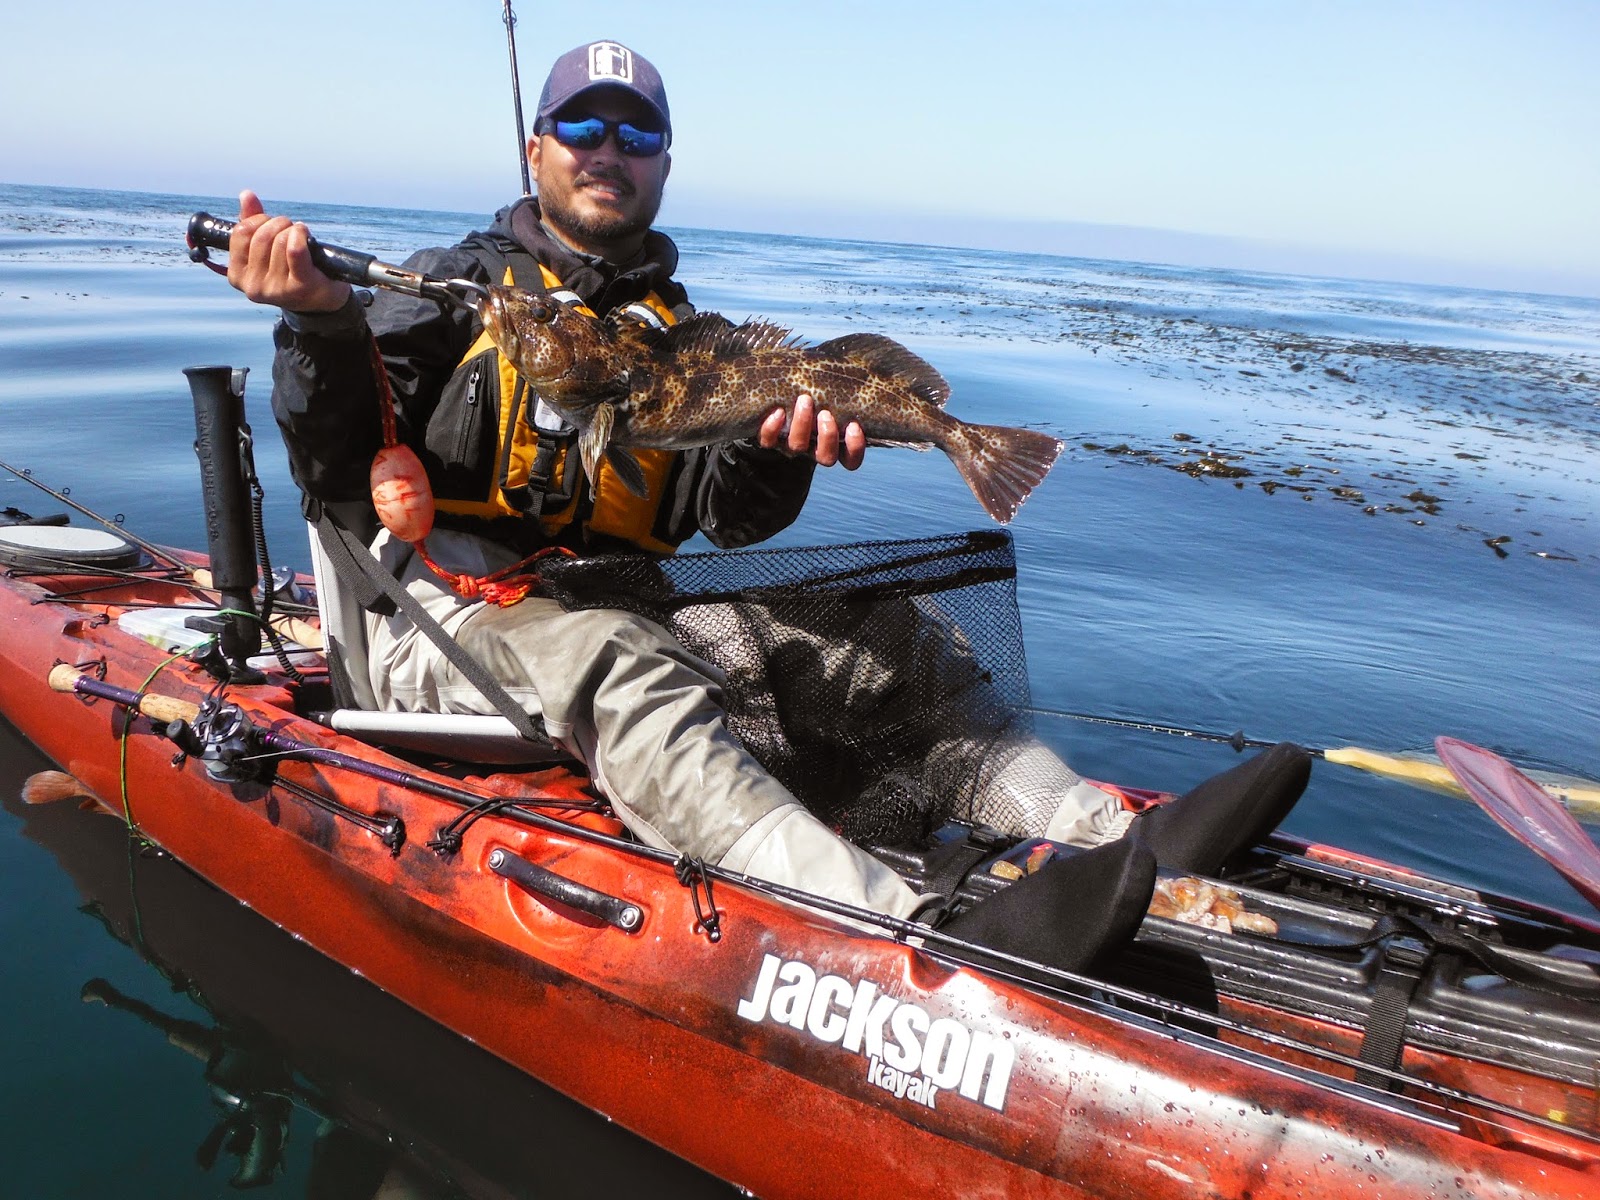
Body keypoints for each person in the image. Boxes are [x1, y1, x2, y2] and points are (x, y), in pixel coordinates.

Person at [226, 39, 1308, 974]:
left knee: (888, 640)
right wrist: (318, 326)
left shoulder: (688, 334)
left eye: (635, 134)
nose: (608, 150)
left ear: (661, 165)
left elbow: (725, 522)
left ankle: (1115, 838)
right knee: (615, 657)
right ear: (537, 150)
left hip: (620, 600)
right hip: (434, 629)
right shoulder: (440, 294)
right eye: (581, 127)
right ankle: (917, 931)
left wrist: (781, 454)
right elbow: (328, 473)